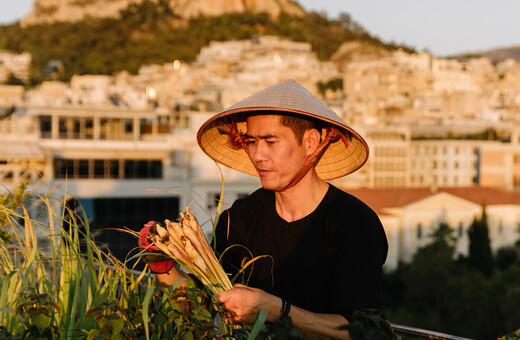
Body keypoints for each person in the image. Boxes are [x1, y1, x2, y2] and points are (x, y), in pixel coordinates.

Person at [139, 79, 388, 339]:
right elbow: (204, 303)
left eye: (270, 142)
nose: (257, 155)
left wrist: (273, 309)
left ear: (311, 142)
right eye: (251, 141)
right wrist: (162, 263)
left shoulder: (355, 224)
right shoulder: (239, 218)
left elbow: (362, 331)